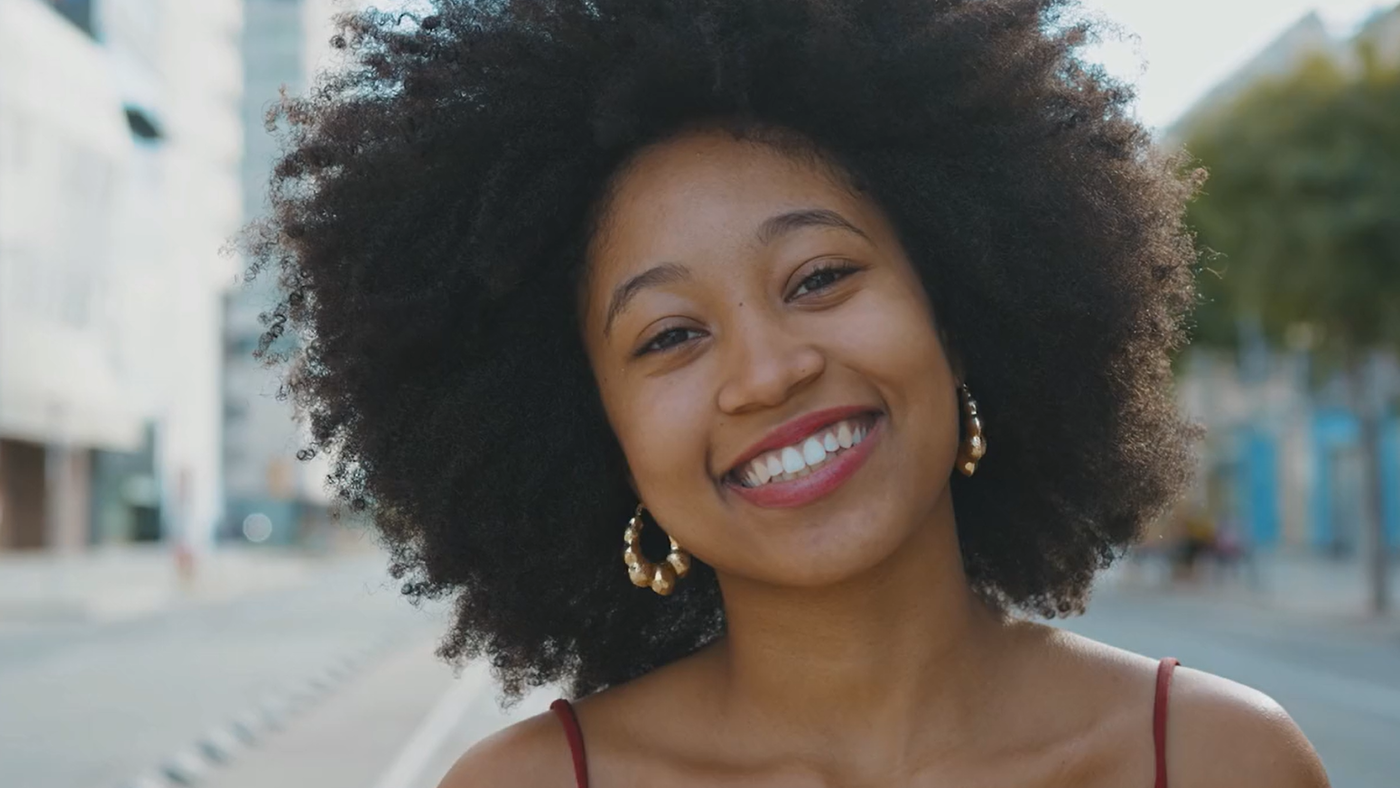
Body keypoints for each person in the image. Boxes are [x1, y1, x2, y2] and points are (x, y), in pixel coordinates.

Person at [240, 1, 1330, 785]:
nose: (768, 370)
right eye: (669, 336)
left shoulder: (1212, 759)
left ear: (957, 312)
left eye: (819, 276)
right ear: (593, 432)